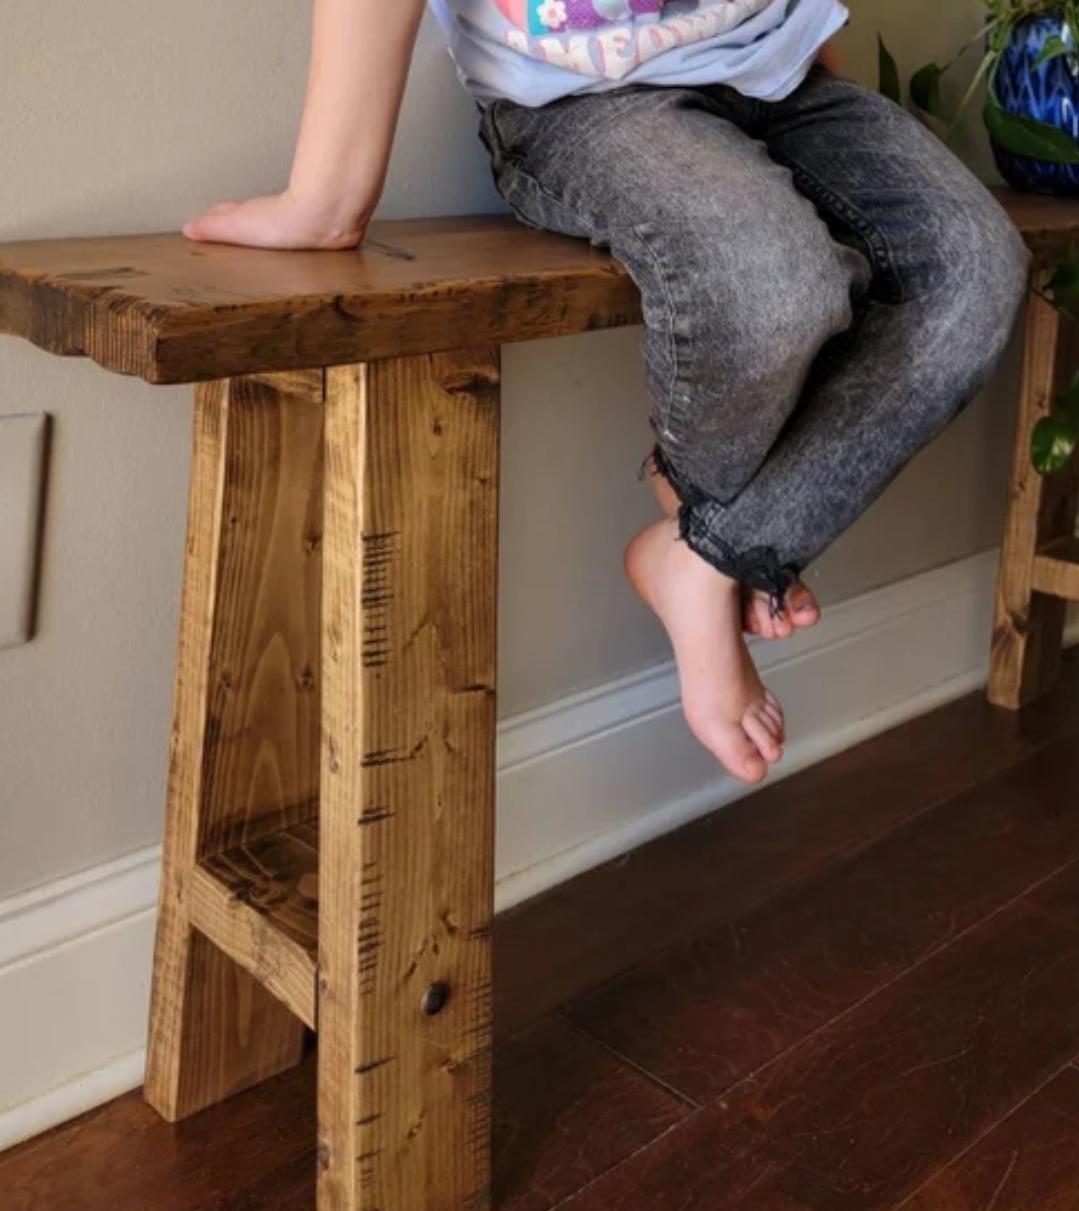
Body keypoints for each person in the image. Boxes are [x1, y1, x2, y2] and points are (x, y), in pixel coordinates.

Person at [183, 0, 1031, 785]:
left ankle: (705, 551)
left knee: (976, 268)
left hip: (782, 72)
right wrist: (327, 200)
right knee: (774, 286)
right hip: (584, 99)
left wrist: (816, 58)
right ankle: (722, 537)